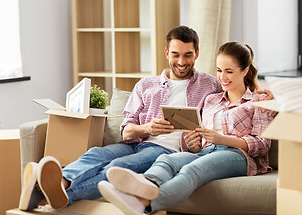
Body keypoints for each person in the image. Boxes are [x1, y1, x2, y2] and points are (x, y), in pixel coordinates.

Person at [18, 25, 223, 211]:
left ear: (196, 54)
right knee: (96, 154)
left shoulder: (211, 85)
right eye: (176, 55)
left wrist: (196, 144)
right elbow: (126, 130)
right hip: (134, 142)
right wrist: (148, 128)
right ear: (167, 53)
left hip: (164, 151)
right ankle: (61, 182)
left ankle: (51, 198)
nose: (181, 62)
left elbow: (220, 120)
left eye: (188, 55)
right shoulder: (145, 85)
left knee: (114, 169)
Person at [97, 41, 274, 215]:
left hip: (238, 156)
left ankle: (144, 203)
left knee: (192, 170)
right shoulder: (211, 99)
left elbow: (262, 144)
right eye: (219, 70)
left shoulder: (259, 101)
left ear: (244, 71)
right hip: (206, 151)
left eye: (229, 71)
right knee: (168, 160)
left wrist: (221, 139)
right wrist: (195, 143)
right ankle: (144, 184)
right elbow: (200, 144)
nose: (222, 77)